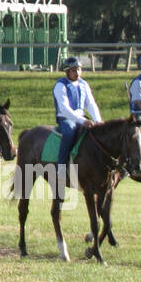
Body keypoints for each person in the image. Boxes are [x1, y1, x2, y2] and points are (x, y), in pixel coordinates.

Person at [53, 57, 101, 190]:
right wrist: (82, 120)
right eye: (74, 70)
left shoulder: (84, 84)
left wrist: (98, 121)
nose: (77, 73)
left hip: (81, 117)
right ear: (67, 72)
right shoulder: (60, 85)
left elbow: (91, 104)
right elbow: (64, 108)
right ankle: (61, 168)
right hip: (66, 118)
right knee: (69, 133)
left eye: (79, 69)